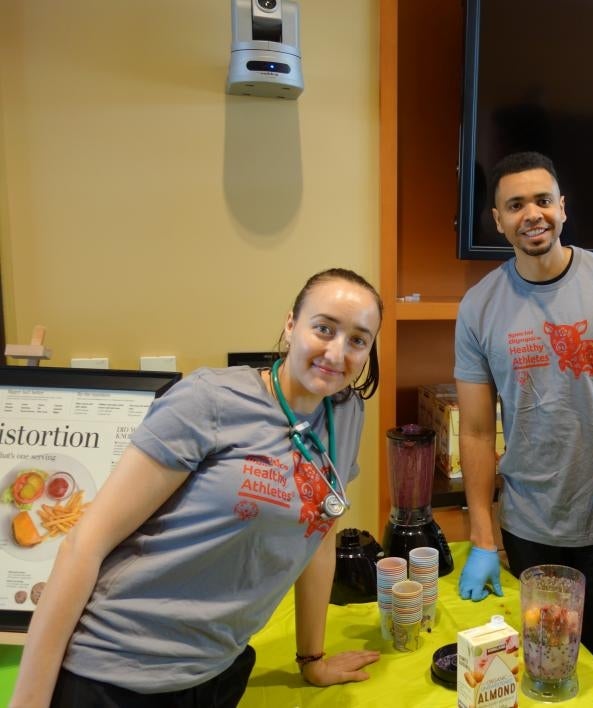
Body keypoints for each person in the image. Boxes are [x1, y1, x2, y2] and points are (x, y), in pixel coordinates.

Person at [11, 268, 385, 708]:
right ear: (290, 325)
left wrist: (312, 659)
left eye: (358, 340)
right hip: (115, 672)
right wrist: (29, 700)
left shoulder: (345, 415)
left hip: (217, 672)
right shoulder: (209, 400)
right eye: (324, 328)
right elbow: (83, 544)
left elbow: (317, 537)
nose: (337, 352)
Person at [454, 151, 593, 666]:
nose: (532, 213)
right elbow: (478, 432)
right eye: (516, 204)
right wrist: (482, 538)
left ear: (563, 208)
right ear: (499, 220)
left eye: (543, 200)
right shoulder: (478, 307)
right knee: (544, 668)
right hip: (530, 528)